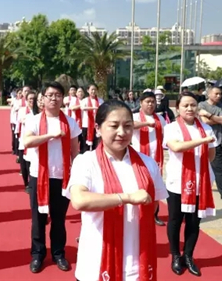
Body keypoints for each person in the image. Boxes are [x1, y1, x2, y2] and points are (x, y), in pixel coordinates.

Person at [68, 99, 168, 281]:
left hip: (137, 264)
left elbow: (152, 206)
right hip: (96, 262)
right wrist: (126, 197)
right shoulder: (85, 162)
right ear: (98, 128)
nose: (122, 132)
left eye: (128, 126)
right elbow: (79, 200)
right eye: (114, 126)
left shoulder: (148, 164)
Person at [23, 81, 81, 274]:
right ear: (43, 98)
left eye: (57, 95)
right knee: (38, 219)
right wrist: (49, 135)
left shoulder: (70, 122)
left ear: (63, 98)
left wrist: (79, 173)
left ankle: (58, 253)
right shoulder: (34, 120)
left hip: (62, 177)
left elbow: (75, 150)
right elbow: (28, 141)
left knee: (59, 219)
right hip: (38, 177)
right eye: (50, 95)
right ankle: (37, 254)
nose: (54, 99)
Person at [163, 92, 217, 277]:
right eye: (185, 105)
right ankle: (175, 256)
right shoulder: (171, 128)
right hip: (178, 182)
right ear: (178, 107)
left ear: (197, 107)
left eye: (193, 105)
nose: (189, 108)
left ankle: (188, 255)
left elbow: (211, 155)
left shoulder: (206, 129)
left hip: (201, 182)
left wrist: (201, 168)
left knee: (194, 222)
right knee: (175, 220)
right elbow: (176, 147)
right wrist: (202, 141)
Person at [132, 91, 167, 226]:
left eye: (153, 102)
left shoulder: (160, 119)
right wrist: (146, 123)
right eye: (148, 102)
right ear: (141, 103)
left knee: (156, 187)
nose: (151, 104)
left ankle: (154, 214)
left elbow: (164, 135)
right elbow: (131, 125)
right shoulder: (136, 116)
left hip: (156, 158)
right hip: (139, 157)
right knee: (139, 185)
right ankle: (138, 213)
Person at [198, 87, 222, 202]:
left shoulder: (221, 107)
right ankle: (197, 190)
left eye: (220, 94)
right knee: (198, 167)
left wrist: (208, 115)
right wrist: (216, 119)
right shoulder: (201, 105)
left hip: (216, 141)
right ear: (209, 94)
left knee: (219, 168)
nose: (219, 96)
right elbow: (204, 121)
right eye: (216, 94)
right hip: (200, 141)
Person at [16, 90, 37, 191]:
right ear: (26, 100)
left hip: (34, 142)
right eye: (30, 99)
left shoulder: (39, 112)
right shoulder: (22, 110)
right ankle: (26, 184)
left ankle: (32, 183)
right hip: (23, 141)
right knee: (24, 166)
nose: (32, 101)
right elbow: (21, 121)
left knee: (32, 164)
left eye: (33, 99)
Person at [81, 84, 104, 153]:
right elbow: (83, 108)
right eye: (92, 89)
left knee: (96, 143)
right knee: (85, 144)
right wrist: (94, 108)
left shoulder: (100, 100)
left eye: (95, 90)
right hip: (86, 125)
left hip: (97, 125)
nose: (93, 91)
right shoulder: (84, 100)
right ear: (88, 91)